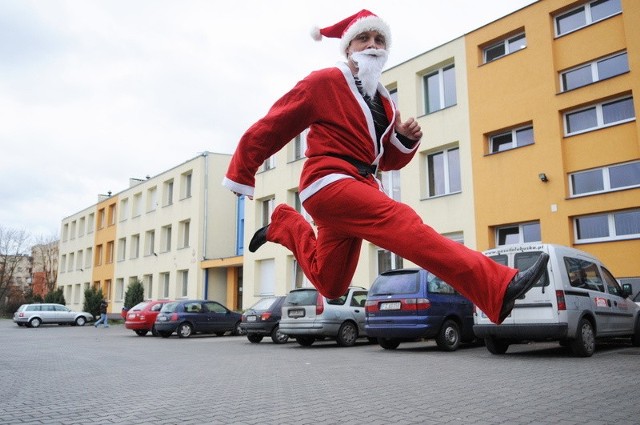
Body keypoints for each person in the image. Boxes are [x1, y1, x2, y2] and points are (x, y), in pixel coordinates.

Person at [222, 10, 549, 325]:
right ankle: (498, 285)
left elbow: (384, 161)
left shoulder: (384, 102)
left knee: (331, 284)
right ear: (348, 47)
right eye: (363, 38)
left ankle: (284, 224)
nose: (373, 45)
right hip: (329, 183)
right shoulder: (324, 82)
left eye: (379, 39)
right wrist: (242, 172)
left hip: (360, 186)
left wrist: (403, 140)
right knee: (403, 222)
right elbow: (275, 124)